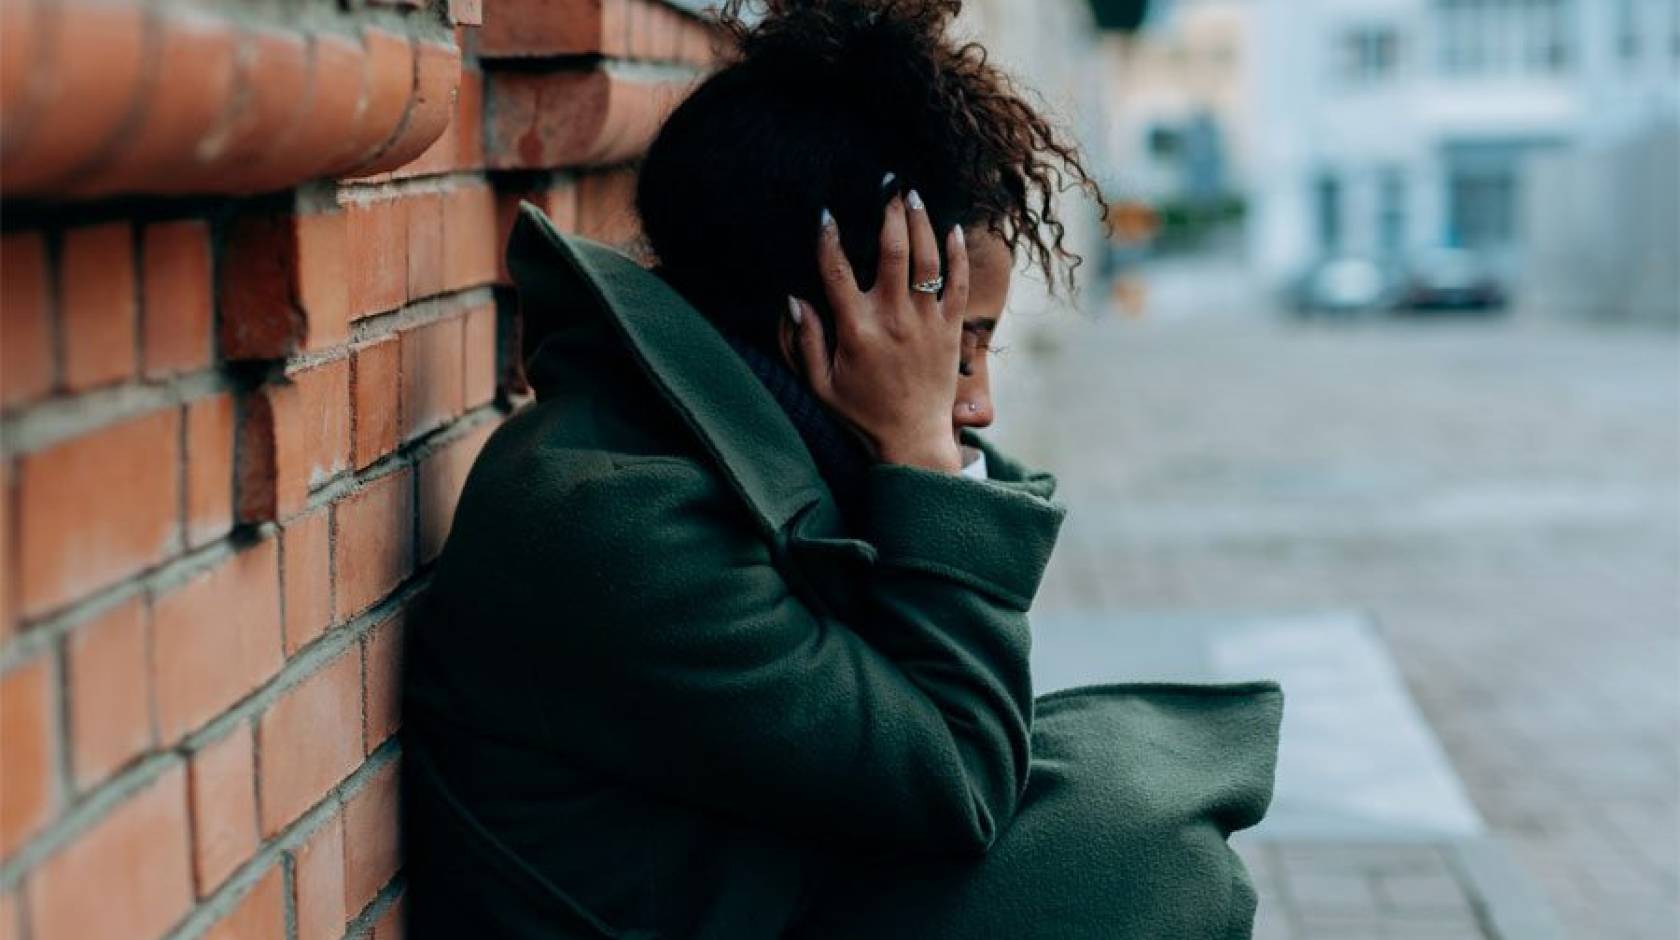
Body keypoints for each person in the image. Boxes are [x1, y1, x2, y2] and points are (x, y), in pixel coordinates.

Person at [401, 1, 1282, 937]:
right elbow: (957, 780)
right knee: (1136, 864)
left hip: (774, 886)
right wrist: (924, 461)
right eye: (960, 346)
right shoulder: (617, 521)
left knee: (1135, 794)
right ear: (833, 319)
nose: (977, 403)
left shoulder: (712, 443)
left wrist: (920, 461)